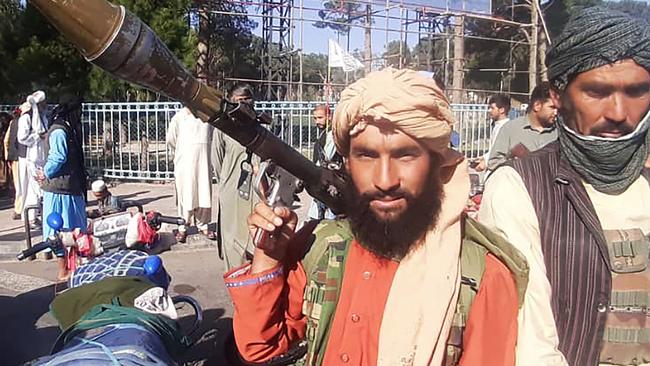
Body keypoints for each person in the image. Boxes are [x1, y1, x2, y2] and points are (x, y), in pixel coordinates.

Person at [225, 68, 529, 366]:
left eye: (405, 155)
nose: (385, 180)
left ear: (437, 162)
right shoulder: (323, 245)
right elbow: (260, 348)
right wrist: (269, 257)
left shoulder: (481, 277)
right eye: (367, 156)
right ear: (346, 163)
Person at [479, 7, 650, 366]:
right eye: (597, 92)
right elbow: (530, 343)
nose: (619, 112)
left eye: (636, 91)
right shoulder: (519, 187)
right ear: (558, 96)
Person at [36, 96, 87, 281]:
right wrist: (46, 173)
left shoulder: (65, 128)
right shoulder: (59, 131)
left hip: (68, 189)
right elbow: (58, 157)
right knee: (61, 232)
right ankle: (63, 270)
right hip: (60, 190)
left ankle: (73, 265)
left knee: (73, 230)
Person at [212, 84, 262, 270]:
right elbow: (216, 160)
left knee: (255, 237)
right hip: (232, 191)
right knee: (232, 237)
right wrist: (227, 181)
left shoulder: (260, 126)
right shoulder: (224, 127)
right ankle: (234, 278)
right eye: (239, 101)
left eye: (247, 100)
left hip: (257, 192)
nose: (244, 105)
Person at [166, 106, 215, 243]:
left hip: (203, 161)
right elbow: (171, 139)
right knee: (185, 193)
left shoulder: (207, 117)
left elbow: (211, 135)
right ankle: (183, 226)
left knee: (203, 192)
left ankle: (203, 225)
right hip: (185, 162)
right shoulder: (179, 117)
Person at [486, 82, 558, 171]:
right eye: (552, 107)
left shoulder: (560, 133)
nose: (556, 112)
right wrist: (517, 164)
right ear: (537, 106)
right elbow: (493, 163)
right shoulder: (510, 129)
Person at [17, 91, 48, 227]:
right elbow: (22, 138)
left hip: (43, 156)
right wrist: (37, 137)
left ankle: (32, 217)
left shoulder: (43, 117)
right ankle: (31, 217)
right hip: (32, 157)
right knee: (35, 187)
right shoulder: (26, 118)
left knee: (34, 188)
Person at [307, 104, 342, 220]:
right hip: (322, 179)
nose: (317, 121)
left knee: (332, 216)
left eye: (320, 117)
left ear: (329, 116)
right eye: (315, 118)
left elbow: (326, 158)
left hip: (331, 179)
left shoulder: (333, 134)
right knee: (315, 215)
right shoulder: (324, 134)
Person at [474, 93, 510, 172]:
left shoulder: (506, 128)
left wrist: (485, 163)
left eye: (492, 108)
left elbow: (502, 153)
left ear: (502, 110)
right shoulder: (497, 126)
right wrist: (484, 157)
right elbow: (494, 149)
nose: (489, 111)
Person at [4, 108, 26, 220]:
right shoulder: (26, 121)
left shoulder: (13, 122)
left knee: (18, 184)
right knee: (23, 184)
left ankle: (19, 208)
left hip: (14, 158)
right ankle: (20, 209)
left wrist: (8, 156)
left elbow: (6, 140)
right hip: (23, 156)